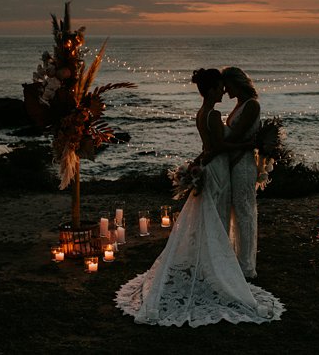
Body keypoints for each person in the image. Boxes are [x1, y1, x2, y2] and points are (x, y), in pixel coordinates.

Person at [116, 68, 283, 327]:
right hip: (220, 169)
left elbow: (210, 146)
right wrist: (248, 146)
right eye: (220, 87)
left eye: (225, 86)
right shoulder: (214, 113)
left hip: (219, 167)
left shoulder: (204, 112)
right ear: (212, 89)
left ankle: (224, 262)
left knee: (218, 214)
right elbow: (217, 146)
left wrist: (198, 161)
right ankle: (216, 264)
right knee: (216, 214)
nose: (224, 91)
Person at [222, 66, 261, 280]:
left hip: (243, 166)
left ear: (236, 83)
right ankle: (234, 260)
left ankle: (245, 266)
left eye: (227, 85)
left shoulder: (251, 105)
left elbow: (235, 137)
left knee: (244, 213)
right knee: (235, 212)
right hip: (234, 163)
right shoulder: (239, 104)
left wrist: (216, 145)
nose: (225, 90)